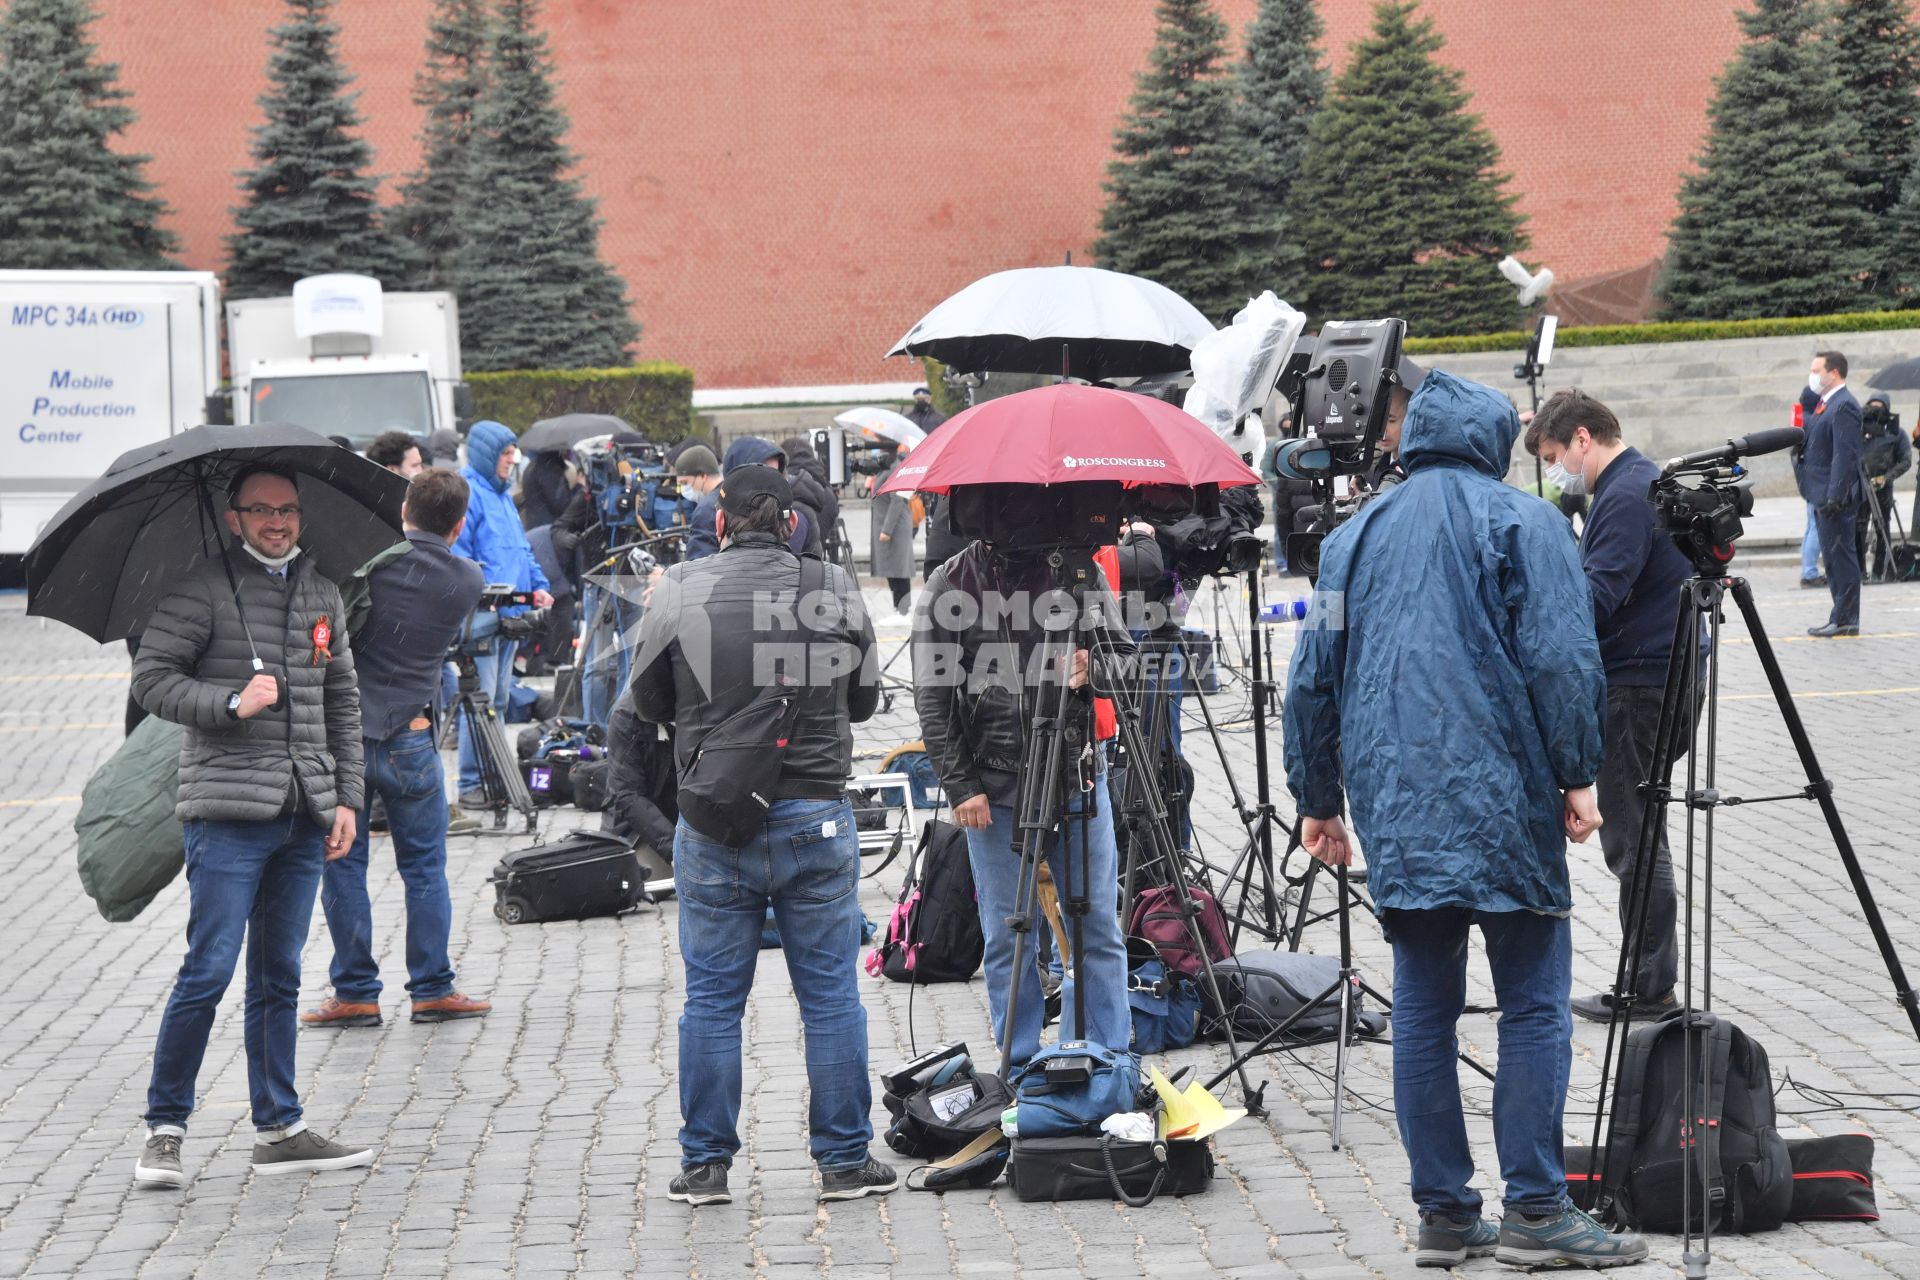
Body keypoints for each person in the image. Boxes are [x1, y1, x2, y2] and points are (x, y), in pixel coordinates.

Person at [1283, 372, 1644, 1270]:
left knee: (1422, 1007)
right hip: (1505, 798)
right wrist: (1579, 774)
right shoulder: (1527, 523)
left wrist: (1317, 799)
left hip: (1398, 806)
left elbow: (1310, 678)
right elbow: (1564, 661)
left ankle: (1444, 1213)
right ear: (1489, 441)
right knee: (1530, 1005)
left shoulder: (1349, 539)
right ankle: (1537, 1207)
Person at [632, 464, 892, 1206]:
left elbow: (647, 700)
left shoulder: (680, 589)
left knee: (712, 1000)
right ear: (788, 522)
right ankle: (844, 1162)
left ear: (720, 522)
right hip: (814, 814)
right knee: (833, 997)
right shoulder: (834, 586)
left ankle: (706, 1165)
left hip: (714, 822)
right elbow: (868, 700)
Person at [129, 465, 374, 1188]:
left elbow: (344, 706)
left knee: (279, 977)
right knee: (206, 972)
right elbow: (152, 681)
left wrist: (347, 800)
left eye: (288, 510)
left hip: (303, 815)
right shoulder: (201, 589)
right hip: (228, 815)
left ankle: (280, 1129)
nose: (277, 522)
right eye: (261, 510)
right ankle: (164, 1130)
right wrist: (232, 700)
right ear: (233, 517)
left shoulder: (323, 591)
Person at [911, 491, 1136, 1071]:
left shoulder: (1079, 570)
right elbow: (933, 700)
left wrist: (1096, 670)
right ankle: (1020, 1067)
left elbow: (1126, 665)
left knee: (1098, 928)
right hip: (996, 785)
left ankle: (1109, 1060)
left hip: (1078, 775)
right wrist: (962, 787)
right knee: (1009, 937)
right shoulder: (950, 583)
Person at [1532, 389, 1701, 1025]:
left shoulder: (1628, 492)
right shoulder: (1640, 481)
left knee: (1633, 834)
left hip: (1638, 682)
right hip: (1659, 674)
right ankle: (1646, 979)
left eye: (1554, 456)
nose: (1557, 471)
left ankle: (1648, 987)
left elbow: (1597, 597)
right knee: (1639, 825)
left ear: (1582, 437)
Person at [304, 470, 492, 1030]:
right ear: (459, 526)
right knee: (425, 869)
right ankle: (432, 987)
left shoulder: (367, 562)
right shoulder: (467, 578)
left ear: (404, 509)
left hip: (346, 738)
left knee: (343, 864)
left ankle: (356, 991)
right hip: (411, 739)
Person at [451, 420, 554, 807]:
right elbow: (459, 553)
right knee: (480, 704)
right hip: (482, 617)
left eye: (514, 453)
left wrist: (538, 585)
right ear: (486, 453)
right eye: (505, 453)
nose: (512, 460)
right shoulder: (468, 492)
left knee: (496, 700)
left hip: (510, 616)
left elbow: (521, 551)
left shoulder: (503, 496)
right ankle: (471, 783)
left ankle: (494, 778)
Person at [1796, 351, 1864, 636]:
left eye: (1816, 370)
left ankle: (1847, 619)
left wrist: (1836, 496)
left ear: (1833, 372)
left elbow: (1844, 456)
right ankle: (1840, 615)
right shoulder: (1827, 403)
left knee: (1842, 559)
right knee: (1833, 561)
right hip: (1821, 494)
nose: (1813, 375)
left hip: (1834, 498)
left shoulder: (1844, 405)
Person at [684, 438, 820, 560]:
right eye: (760, 472)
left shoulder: (790, 508)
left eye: (775, 473)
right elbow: (699, 570)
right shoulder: (709, 510)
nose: (770, 481)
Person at [1859, 393, 1911, 581]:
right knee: (1859, 529)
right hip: (1860, 487)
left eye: (1879, 405)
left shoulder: (1895, 432)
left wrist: (1886, 478)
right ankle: (1860, 571)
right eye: (1871, 405)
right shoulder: (1859, 427)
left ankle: (1878, 570)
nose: (1875, 409)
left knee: (1882, 529)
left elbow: (1905, 460)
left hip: (1883, 488)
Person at [869, 449, 916, 610]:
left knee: (899, 571)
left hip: (895, 527)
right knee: (892, 570)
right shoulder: (887, 468)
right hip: (888, 525)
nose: (879, 454)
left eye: (883, 450)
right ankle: (899, 608)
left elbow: (896, 501)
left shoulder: (896, 469)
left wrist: (887, 530)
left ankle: (903, 610)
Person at [518, 447, 574, 531]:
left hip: (535, 525)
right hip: (550, 528)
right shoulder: (550, 468)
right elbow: (561, 504)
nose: (565, 450)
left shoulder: (533, 465)